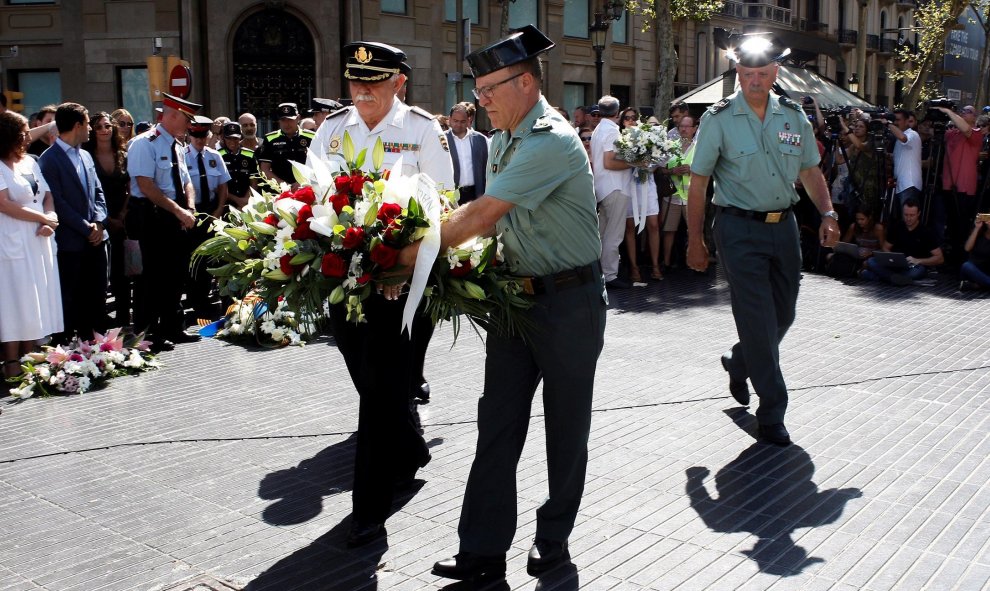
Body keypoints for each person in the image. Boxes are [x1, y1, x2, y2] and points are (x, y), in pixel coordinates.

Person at [424, 25, 606, 581]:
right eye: (476, 90)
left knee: (564, 430)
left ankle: (553, 540)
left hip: (569, 303)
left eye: (488, 90)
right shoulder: (504, 137)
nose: (480, 101)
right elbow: (493, 227)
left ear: (525, 83)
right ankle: (481, 550)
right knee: (497, 424)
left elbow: (479, 214)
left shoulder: (551, 139)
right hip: (515, 300)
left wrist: (398, 253)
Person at [306, 40, 454, 548]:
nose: (363, 90)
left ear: (399, 84)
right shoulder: (330, 130)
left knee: (378, 390)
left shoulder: (421, 129)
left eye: (374, 81)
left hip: (400, 284)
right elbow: (310, 196)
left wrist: (401, 263)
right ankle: (411, 447)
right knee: (369, 379)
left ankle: (368, 511)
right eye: (355, 82)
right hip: (343, 279)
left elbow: (444, 199)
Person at [686, 35, 840, 447]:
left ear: (776, 73)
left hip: (784, 227)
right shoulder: (718, 119)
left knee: (783, 315)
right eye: (747, 72)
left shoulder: (794, 116)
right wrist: (695, 240)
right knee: (757, 317)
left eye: (763, 73)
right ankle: (772, 411)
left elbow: (810, 171)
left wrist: (827, 213)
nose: (755, 80)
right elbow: (698, 183)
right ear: (738, 72)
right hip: (737, 229)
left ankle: (740, 361)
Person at [126, 93, 203, 352]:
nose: (190, 125)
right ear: (172, 115)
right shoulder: (144, 143)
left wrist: (189, 208)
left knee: (175, 275)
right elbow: (146, 186)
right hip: (152, 217)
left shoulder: (178, 146)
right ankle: (146, 333)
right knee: (151, 278)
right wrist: (179, 211)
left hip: (176, 216)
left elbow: (186, 181)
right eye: (187, 118)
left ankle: (173, 326)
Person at [38, 102, 109, 343]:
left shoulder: (86, 155)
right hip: (71, 243)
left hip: (96, 240)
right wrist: (85, 227)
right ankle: (70, 354)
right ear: (77, 125)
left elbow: (99, 193)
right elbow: (56, 201)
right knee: (71, 299)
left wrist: (98, 223)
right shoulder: (49, 160)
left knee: (97, 298)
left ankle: (99, 349)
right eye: (88, 123)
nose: (90, 128)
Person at [0, 111, 63, 377]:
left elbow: (46, 193)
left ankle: (32, 352)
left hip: (39, 238)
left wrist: (50, 217)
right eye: (23, 132)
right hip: (13, 239)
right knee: (16, 298)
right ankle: (12, 360)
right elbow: (4, 203)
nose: (28, 137)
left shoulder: (30, 162)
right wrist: (41, 217)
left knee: (37, 295)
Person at [83, 111, 134, 326]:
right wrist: (104, 220)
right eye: (99, 127)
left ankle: (124, 314)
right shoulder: (86, 154)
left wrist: (122, 215)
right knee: (99, 270)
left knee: (124, 269)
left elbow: (131, 186)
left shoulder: (122, 153)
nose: (104, 130)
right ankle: (99, 315)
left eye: (107, 126)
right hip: (96, 218)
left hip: (122, 216)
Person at [184, 115, 231, 319]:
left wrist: (219, 209)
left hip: (212, 210)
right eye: (195, 135)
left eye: (203, 135)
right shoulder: (182, 156)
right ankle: (195, 301)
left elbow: (222, 185)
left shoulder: (214, 155)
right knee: (193, 259)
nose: (199, 140)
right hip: (192, 211)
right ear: (189, 135)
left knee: (212, 258)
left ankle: (206, 301)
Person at [591, 95, 634, 289]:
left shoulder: (598, 129)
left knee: (603, 233)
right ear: (617, 113)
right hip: (615, 187)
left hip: (603, 187)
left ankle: (600, 271)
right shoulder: (611, 130)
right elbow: (609, 162)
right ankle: (609, 274)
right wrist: (634, 162)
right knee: (614, 235)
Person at [935, 105, 988, 257]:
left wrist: (948, 112)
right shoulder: (951, 133)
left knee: (962, 224)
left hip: (965, 187)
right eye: (963, 111)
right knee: (950, 223)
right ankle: (950, 255)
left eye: (969, 111)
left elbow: (966, 130)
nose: (965, 113)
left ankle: (961, 257)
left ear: (975, 117)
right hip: (948, 185)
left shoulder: (977, 133)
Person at [618, 106, 662, 282]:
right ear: (622, 121)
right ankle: (634, 268)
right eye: (627, 118)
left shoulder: (646, 137)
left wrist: (650, 163)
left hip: (647, 184)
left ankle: (655, 265)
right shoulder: (619, 139)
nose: (630, 121)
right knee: (630, 227)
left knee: (653, 225)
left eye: (633, 117)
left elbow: (658, 159)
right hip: (629, 186)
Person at [861, 198, 943, 285]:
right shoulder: (897, 227)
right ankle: (897, 279)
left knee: (917, 272)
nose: (908, 218)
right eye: (906, 215)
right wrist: (891, 257)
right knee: (871, 261)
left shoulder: (926, 232)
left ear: (918, 214)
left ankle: (882, 277)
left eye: (912, 215)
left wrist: (918, 260)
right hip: (895, 264)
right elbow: (885, 247)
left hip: (913, 266)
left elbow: (940, 258)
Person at [660, 115, 697, 271]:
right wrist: (672, 171)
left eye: (687, 126)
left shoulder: (700, 147)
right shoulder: (671, 146)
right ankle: (666, 263)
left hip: (693, 198)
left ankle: (695, 263)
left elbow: (709, 169)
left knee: (694, 232)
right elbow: (661, 169)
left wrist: (692, 170)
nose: (683, 129)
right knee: (669, 231)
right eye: (681, 126)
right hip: (672, 197)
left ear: (694, 129)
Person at [258, 103, 315, 188]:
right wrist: (285, 186)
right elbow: (265, 169)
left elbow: (318, 165)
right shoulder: (270, 139)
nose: (286, 123)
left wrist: (303, 183)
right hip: (280, 190)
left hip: (307, 187)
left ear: (298, 118)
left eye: (290, 119)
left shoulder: (311, 137)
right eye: (283, 120)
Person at [445, 102, 489, 204]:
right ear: (449, 119)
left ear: (468, 121)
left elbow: (486, 167)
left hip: (475, 193)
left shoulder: (480, 139)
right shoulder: (442, 139)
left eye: (462, 121)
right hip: (451, 194)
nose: (458, 124)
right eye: (455, 121)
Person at [825, 206, 884, 278]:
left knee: (866, 263)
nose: (859, 222)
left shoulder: (878, 229)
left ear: (869, 218)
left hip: (870, 256)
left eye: (862, 219)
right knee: (829, 256)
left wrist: (871, 253)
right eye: (857, 219)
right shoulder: (853, 227)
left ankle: (859, 273)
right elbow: (844, 243)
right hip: (856, 254)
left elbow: (883, 249)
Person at [887, 109, 923, 215]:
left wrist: (888, 123)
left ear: (907, 121)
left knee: (908, 221)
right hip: (900, 185)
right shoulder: (898, 138)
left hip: (909, 185)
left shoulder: (912, 134)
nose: (895, 123)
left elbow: (904, 138)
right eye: (894, 120)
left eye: (898, 120)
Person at [217, 122, 258, 209]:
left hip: (247, 203)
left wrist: (246, 200)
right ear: (223, 138)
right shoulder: (218, 155)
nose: (232, 141)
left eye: (235, 138)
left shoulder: (249, 155)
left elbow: (254, 181)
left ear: (240, 137)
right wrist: (238, 200)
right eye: (229, 138)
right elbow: (217, 186)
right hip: (225, 204)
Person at [959, 216, 990, 290]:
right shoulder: (979, 233)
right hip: (974, 270)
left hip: (987, 271)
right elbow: (967, 248)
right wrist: (977, 228)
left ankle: (978, 285)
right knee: (966, 265)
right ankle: (981, 285)